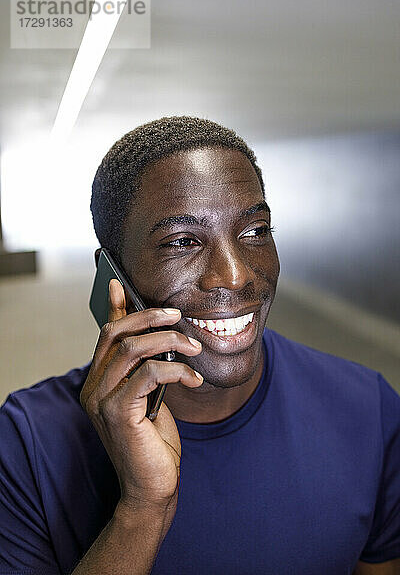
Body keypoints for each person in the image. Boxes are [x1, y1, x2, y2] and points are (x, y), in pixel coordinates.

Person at [1, 116, 399, 575]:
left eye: (255, 231)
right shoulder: (26, 445)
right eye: (183, 242)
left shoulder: (368, 409)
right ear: (113, 275)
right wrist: (144, 509)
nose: (235, 275)